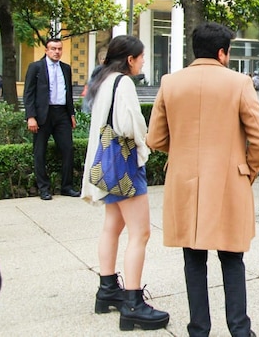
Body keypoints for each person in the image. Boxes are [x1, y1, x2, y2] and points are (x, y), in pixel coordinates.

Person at [147, 22, 259, 337]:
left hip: (185, 184)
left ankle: (198, 330)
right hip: (228, 185)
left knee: (193, 261)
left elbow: (155, 138)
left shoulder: (170, 83)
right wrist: (248, 171)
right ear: (221, 52)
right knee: (232, 260)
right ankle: (240, 330)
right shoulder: (240, 83)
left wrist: (186, 152)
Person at [80, 35, 169, 331]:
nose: (143, 61)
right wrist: (147, 143)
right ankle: (132, 302)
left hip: (106, 163)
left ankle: (107, 290)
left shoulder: (102, 80)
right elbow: (130, 125)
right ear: (129, 59)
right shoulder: (124, 83)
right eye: (141, 57)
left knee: (112, 226)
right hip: (126, 164)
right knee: (140, 233)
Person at [23, 38, 79, 200]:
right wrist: (31, 117)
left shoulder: (66, 68)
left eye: (59, 49)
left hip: (62, 114)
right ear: (46, 50)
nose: (57, 52)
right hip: (42, 115)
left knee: (68, 149)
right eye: (53, 49)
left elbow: (68, 93)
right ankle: (44, 188)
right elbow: (28, 93)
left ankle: (67, 186)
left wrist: (71, 114)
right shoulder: (36, 67)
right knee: (40, 151)